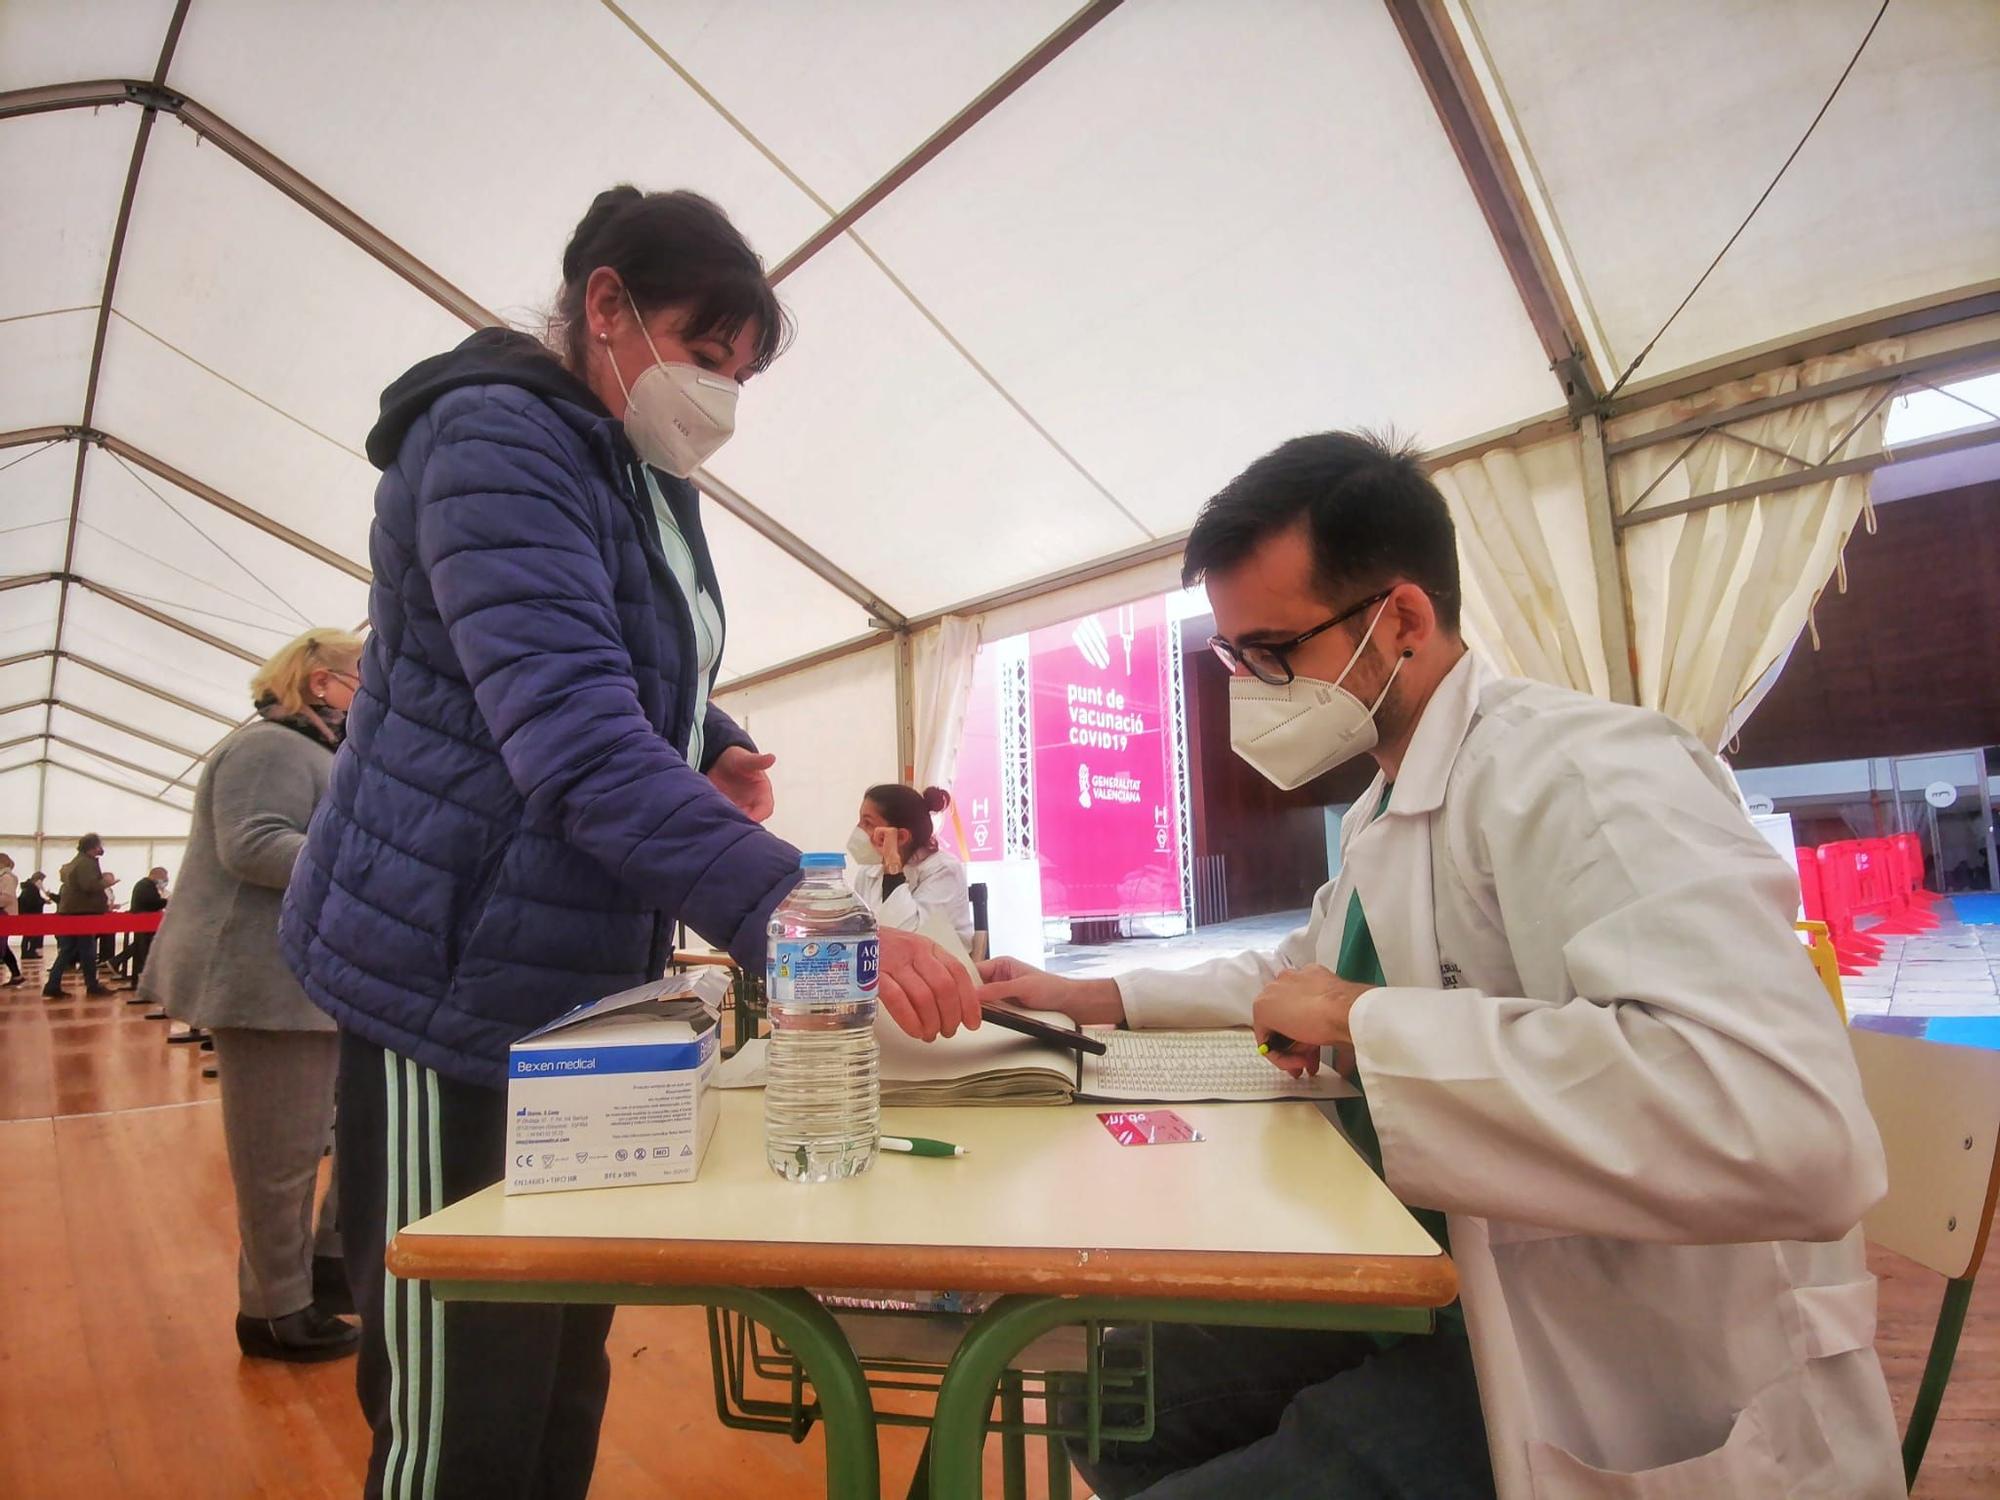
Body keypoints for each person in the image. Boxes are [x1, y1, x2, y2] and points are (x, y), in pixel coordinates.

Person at [978, 432, 1901, 1499]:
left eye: (1273, 652)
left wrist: (1366, 1021)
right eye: (1234, 659)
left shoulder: (1585, 771)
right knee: (1108, 1393)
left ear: (1401, 620)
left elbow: (1786, 1121)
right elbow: (1302, 968)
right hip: (1457, 1279)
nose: (1252, 689)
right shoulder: (1387, 803)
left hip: (1612, 1344)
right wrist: (1087, 992)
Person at [280, 185, 977, 1500]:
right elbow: (571, 734)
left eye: (738, 375)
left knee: (557, 1370)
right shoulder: (494, 435)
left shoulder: (626, 465)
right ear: (605, 306)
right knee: (457, 1408)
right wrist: (799, 916)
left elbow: (595, 649)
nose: (717, 395)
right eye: (703, 354)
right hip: (450, 981)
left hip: (568, 989)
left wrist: (703, 730)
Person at [146, 630, 363, 1362]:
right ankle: (273, 1310)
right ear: (320, 681)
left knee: (334, 1143)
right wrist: (369, 859)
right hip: (263, 985)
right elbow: (253, 844)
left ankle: (327, 1271)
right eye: (362, 677)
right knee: (280, 1160)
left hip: (305, 983)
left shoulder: (320, 753)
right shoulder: (267, 748)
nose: (372, 691)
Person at [847, 784, 974, 943]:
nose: (858, 830)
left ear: (901, 837)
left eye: (868, 823)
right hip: (885, 963)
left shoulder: (944, 869)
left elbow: (908, 937)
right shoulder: (869, 871)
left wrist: (892, 864)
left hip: (938, 963)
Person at [45, 834, 116, 998]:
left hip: (70, 911)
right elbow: (89, 886)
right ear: (93, 846)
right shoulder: (86, 863)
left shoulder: (75, 862)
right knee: (88, 950)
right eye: (99, 845)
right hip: (82, 912)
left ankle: (53, 984)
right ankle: (92, 985)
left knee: (67, 950)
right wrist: (107, 883)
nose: (101, 848)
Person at [111, 866, 170, 993]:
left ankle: (131, 975)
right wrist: (166, 901)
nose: (165, 880)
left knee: (139, 949)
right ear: (156, 875)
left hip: (144, 923)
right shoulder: (145, 886)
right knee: (141, 951)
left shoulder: (146, 885)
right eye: (164, 878)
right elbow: (151, 903)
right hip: (143, 923)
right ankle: (139, 981)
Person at [0, 853, 21, 986]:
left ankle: (17, 975)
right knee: (4, 947)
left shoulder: (7, 878)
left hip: (4, 914)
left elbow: (7, 898)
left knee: (1, 946)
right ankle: (17, 975)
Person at [17, 871, 47, 959]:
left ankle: (27, 952)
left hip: (26, 914)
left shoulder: (28, 888)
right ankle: (29, 953)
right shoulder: (32, 889)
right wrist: (43, 901)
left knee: (27, 935)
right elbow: (33, 902)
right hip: (32, 915)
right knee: (31, 935)